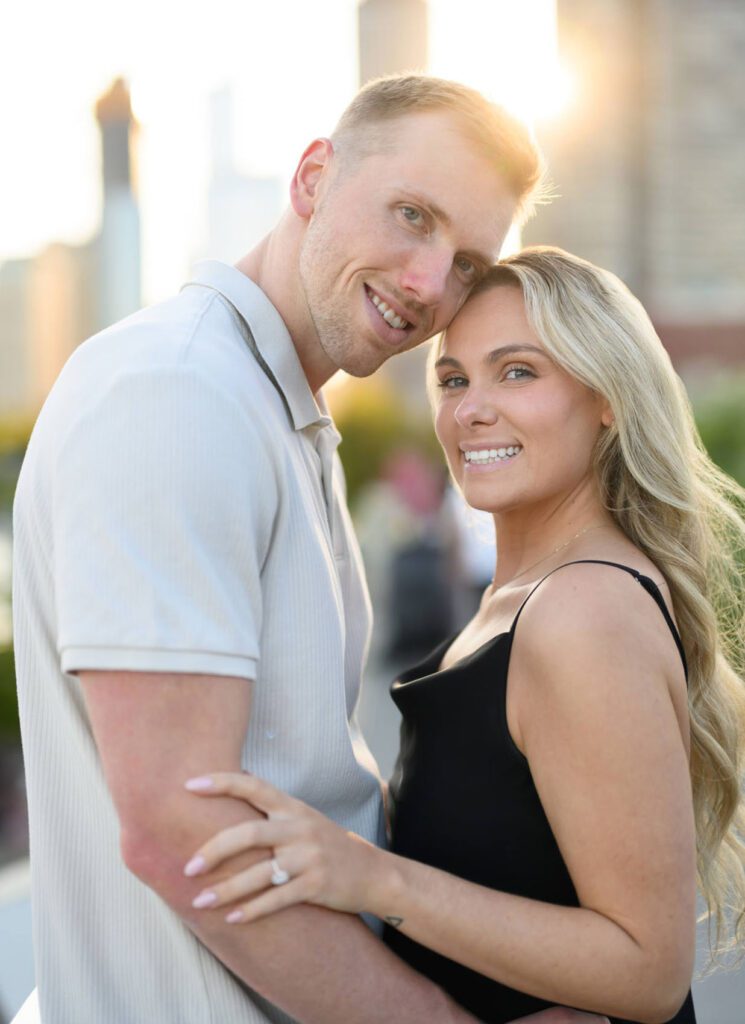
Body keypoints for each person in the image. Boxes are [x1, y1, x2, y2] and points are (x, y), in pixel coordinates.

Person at [11, 74, 608, 1024]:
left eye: (464, 262)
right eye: (410, 215)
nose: (426, 284)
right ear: (312, 177)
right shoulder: (177, 393)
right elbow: (181, 829)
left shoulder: (274, 409)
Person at [180, 248, 745, 1024]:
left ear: (606, 395)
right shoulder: (518, 599)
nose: (471, 409)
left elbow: (646, 970)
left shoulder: (581, 610)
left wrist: (375, 880)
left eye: (517, 372)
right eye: (453, 379)